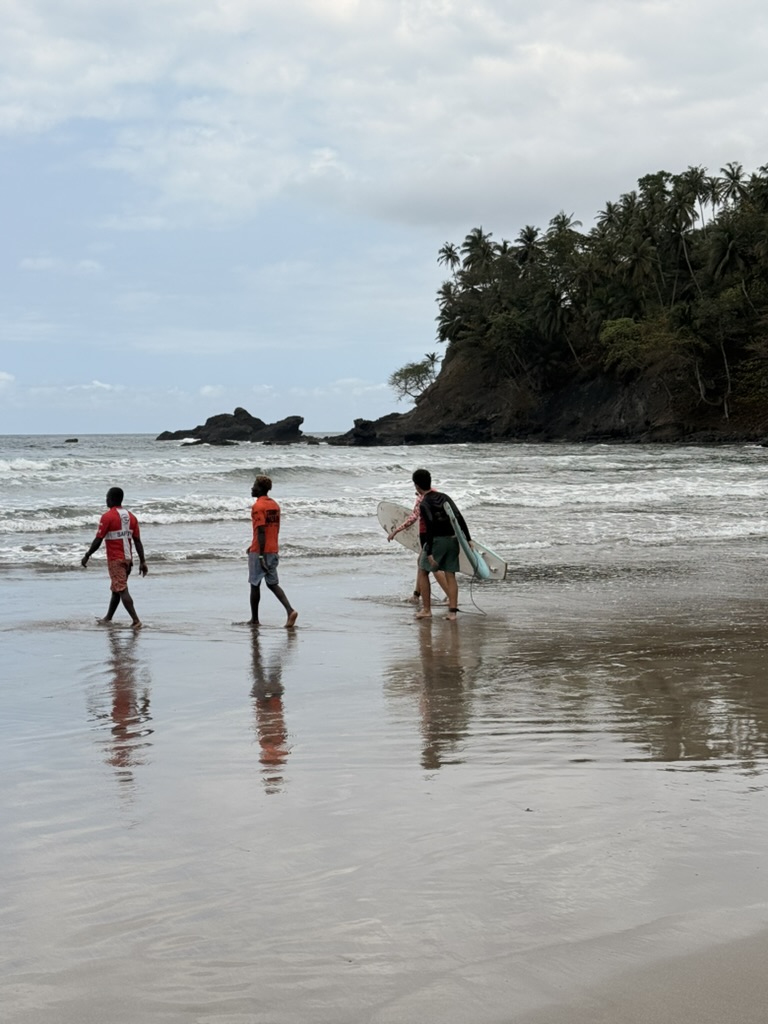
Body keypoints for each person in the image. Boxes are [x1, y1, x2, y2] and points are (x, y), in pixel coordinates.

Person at [81, 487, 148, 628]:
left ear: (111, 499)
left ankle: (136, 620)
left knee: (122, 589)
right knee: (116, 589)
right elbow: (137, 541)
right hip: (128, 559)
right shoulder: (131, 517)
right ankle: (108, 618)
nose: (106, 500)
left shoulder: (107, 517)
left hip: (115, 560)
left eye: (107, 497)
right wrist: (142, 561)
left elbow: (98, 539)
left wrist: (87, 555)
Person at [412, 468, 471, 622]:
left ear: (417, 486)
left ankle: (426, 610)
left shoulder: (424, 503)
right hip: (452, 540)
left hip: (437, 541)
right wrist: (468, 539)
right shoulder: (444, 497)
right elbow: (458, 516)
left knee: (423, 571)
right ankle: (452, 612)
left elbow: (430, 526)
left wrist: (429, 552)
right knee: (450, 574)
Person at [247, 475, 298, 628]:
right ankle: (290, 610)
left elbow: (261, 531)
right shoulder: (274, 505)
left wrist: (260, 555)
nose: (252, 488)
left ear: (260, 489)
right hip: (273, 549)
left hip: (260, 551)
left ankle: (254, 619)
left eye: (254, 485)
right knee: (273, 584)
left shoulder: (258, 507)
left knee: (254, 584)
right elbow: (273, 530)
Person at [388, 489, 451, 605]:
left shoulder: (422, 499)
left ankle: (450, 596)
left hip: (429, 536)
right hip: (441, 534)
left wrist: (396, 531)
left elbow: (413, 518)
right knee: (421, 563)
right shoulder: (437, 495)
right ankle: (416, 595)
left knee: (431, 565)